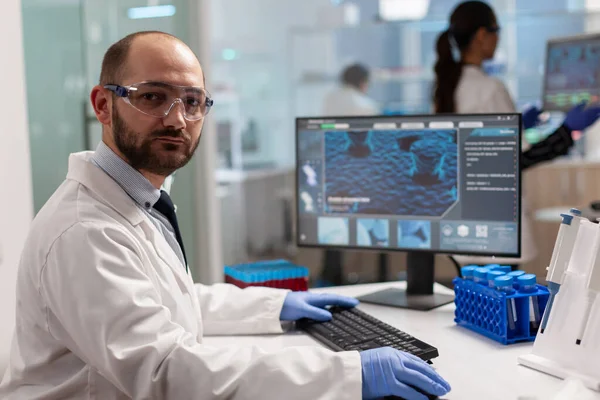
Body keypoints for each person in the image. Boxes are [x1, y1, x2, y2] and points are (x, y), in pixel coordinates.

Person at [0, 31, 450, 400]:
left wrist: (276, 307)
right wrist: (348, 373)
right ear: (103, 105)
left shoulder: (135, 199)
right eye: (153, 97)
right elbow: (165, 371)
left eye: (192, 102)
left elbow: (168, 301)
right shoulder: (85, 231)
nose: (176, 119)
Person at [432, 0, 600, 267]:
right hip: (496, 229)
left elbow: (480, 151)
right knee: (502, 305)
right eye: (496, 30)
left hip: (465, 225)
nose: (498, 38)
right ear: (481, 36)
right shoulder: (490, 89)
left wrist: (521, 125)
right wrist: (568, 131)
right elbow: (514, 162)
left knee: (474, 302)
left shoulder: (451, 86)